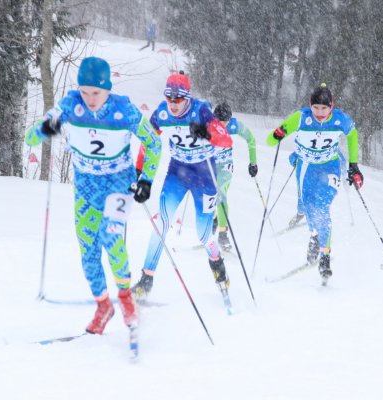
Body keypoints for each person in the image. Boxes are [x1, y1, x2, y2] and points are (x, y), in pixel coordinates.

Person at [25, 56, 162, 335]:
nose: (90, 99)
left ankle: (125, 299)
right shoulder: (69, 106)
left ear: (108, 89)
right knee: (88, 251)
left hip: (118, 185)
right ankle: (103, 306)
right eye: (85, 91)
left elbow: (154, 142)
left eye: (96, 92)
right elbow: (30, 138)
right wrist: (44, 129)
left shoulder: (123, 110)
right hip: (86, 188)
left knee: (111, 238)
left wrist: (145, 179)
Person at [132, 71, 233, 299]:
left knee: (203, 233)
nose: (173, 104)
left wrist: (206, 133)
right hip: (177, 172)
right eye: (169, 98)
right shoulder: (161, 113)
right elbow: (147, 142)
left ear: (187, 97)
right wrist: (139, 171)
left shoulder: (201, 110)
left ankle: (217, 264)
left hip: (204, 174)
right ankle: (146, 279)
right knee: (163, 221)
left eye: (178, 99)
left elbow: (226, 139)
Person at [266, 83, 363, 285]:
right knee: (309, 207)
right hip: (306, 168)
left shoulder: (340, 119)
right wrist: (278, 135)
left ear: (331, 107)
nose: (319, 113)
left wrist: (353, 165)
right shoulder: (300, 118)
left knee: (322, 206)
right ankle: (314, 236)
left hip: (330, 168)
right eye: (316, 108)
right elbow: (269, 141)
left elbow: (352, 135)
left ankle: (325, 256)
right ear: (310, 105)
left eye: (324, 108)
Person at [212, 102, 258, 251]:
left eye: (225, 122)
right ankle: (215, 218)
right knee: (209, 196)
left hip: (225, 167)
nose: (222, 125)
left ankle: (223, 234)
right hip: (210, 166)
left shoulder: (234, 125)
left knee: (221, 194)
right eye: (219, 122)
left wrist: (253, 162)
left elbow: (251, 139)